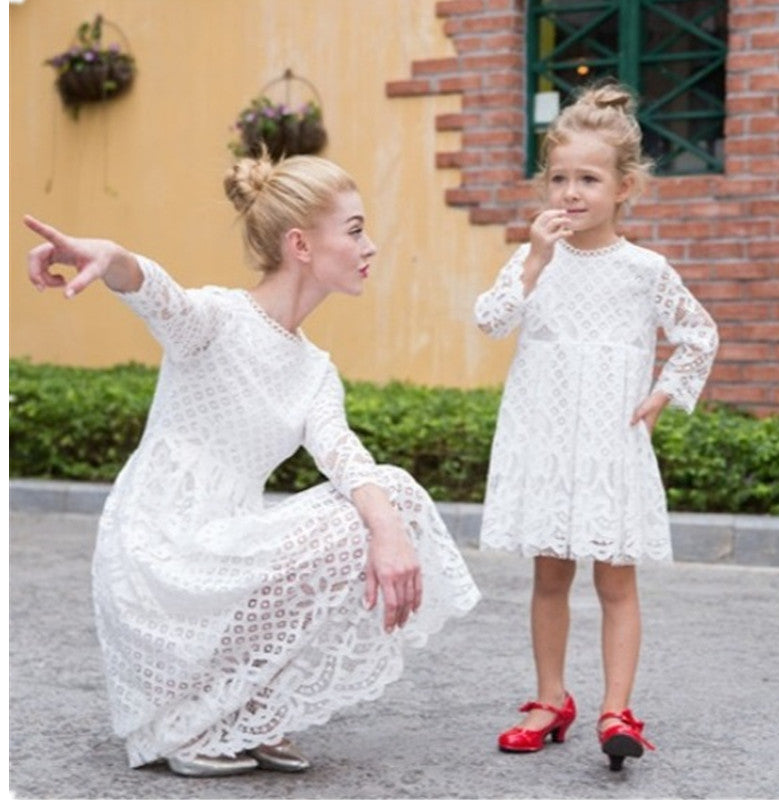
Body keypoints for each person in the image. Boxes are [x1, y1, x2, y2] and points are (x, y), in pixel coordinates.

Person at [24, 153, 480, 778]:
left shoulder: (313, 369)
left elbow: (345, 455)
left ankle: (251, 713)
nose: (370, 246)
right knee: (380, 507)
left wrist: (390, 530)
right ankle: (193, 725)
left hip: (229, 544)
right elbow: (161, 297)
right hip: (160, 553)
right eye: (354, 230)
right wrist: (113, 259)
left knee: (387, 498)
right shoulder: (216, 321)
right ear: (300, 244)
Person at [473, 83, 718, 772]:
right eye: (559, 178)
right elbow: (489, 321)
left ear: (625, 187)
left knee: (616, 581)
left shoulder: (645, 271)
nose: (571, 192)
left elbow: (699, 335)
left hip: (610, 444)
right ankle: (551, 699)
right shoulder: (536, 260)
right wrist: (532, 260)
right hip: (548, 442)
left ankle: (618, 708)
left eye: (589, 178)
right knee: (549, 576)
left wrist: (665, 391)